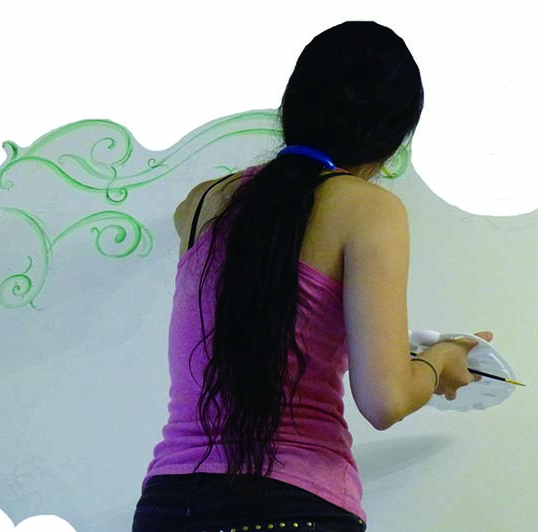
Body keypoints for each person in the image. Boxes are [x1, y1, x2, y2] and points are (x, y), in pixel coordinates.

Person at [132, 20, 492, 532]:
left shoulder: (200, 203)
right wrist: (441, 361)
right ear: (393, 140)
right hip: (292, 505)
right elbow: (385, 399)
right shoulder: (369, 210)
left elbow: (267, 306)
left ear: (293, 105)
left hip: (166, 506)